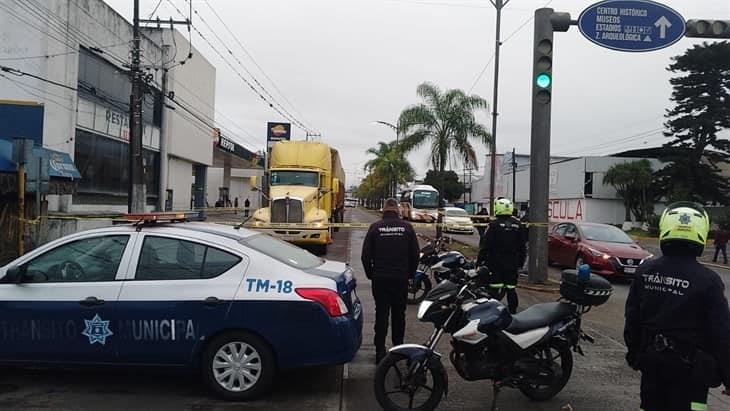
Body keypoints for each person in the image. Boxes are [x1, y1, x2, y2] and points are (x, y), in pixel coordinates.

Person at [624, 202, 730, 411]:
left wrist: (635, 355)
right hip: (691, 373)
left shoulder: (645, 271)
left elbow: (632, 319)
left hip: (652, 364)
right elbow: (722, 334)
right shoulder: (708, 281)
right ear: (700, 233)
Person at [361, 197, 419, 364]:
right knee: (399, 315)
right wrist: (410, 274)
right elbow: (415, 254)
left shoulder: (375, 228)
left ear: (384, 210)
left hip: (380, 279)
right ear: (397, 210)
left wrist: (370, 274)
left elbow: (366, 256)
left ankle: (380, 351)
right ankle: (398, 349)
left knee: (381, 313)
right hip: (400, 278)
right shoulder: (407, 228)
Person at [477, 198, 526, 314]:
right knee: (511, 289)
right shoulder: (518, 225)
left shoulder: (493, 225)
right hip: (512, 264)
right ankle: (513, 312)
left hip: (495, 263)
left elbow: (485, 246)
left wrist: (479, 262)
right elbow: (522, 247)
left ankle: (492, 312)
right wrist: (520, 263)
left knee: (494, 289)